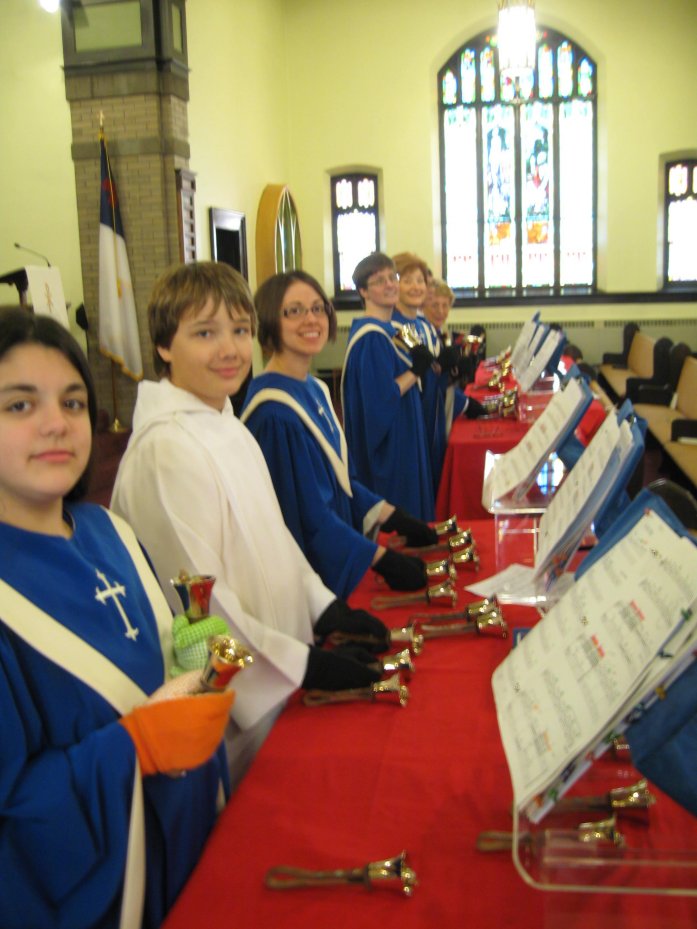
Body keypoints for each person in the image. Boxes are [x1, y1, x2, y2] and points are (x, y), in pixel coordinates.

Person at [111, 262, 389, 784]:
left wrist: (324, 608)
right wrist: (298, 665)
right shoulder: (165, 451)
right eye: (205, 333)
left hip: (284, 674)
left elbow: (275, 539)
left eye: (239, 331)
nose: (230, 350)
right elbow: (202, 615)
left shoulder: (225, 423)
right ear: (165, 346)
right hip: (241, 709)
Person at [0, 308, 232, 929]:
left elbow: (156, 661)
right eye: (20, 406)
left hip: (188, 842)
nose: (57, 424)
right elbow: (13, 810)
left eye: (73, 403)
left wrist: (198, 658)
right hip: (104, 889)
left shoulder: (109, 530)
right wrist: (135, 748)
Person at [241, 270, 435, 600]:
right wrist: (380, 559)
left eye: (319, 308)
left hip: (338, 556)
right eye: (294, 311)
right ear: (270, 320)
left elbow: (338, 482)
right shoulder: (274, 413)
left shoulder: (313, 388)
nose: (311, 319)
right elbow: (306, 517)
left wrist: (391, 515)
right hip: (311, 586)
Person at [341, 252, 435, 520]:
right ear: (363, 291)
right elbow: (381, 400)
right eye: (379, 281)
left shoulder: (384, 330)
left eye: (392, 277)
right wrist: (415, 371)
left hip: (403, 431)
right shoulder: (372, 337)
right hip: (392, 444)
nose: (390, 284)